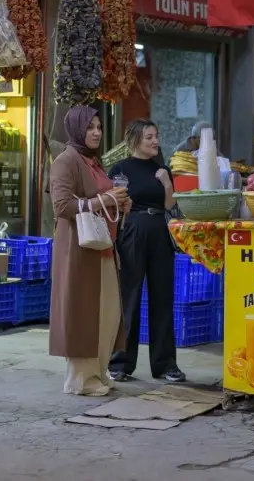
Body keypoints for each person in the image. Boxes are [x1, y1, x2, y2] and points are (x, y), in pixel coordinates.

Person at [48, 105, 130, 396]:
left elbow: (100, 200)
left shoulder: (93, 162)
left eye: (99, 127)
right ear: (76, 130)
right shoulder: (65, 161)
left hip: (102, 249)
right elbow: (61, 206)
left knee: (106, 315)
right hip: (79, 251)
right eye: (90, 127)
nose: (96, 132)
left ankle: (98, 372)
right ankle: (81, 379)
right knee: (84, 314)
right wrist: (103, 200)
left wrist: (118, 205)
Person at [107, 119, 185, 384]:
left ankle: (165, 364)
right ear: (135, 139)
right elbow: (113, 204)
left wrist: (166, 183)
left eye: (157, 136)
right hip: (133, 232)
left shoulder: (162, 169)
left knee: (162, 297)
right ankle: (120, 363)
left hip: (160, 232)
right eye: (149, 137)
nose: (155, 141)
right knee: (129, 297)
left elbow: (171, 207)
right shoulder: (121, 169)